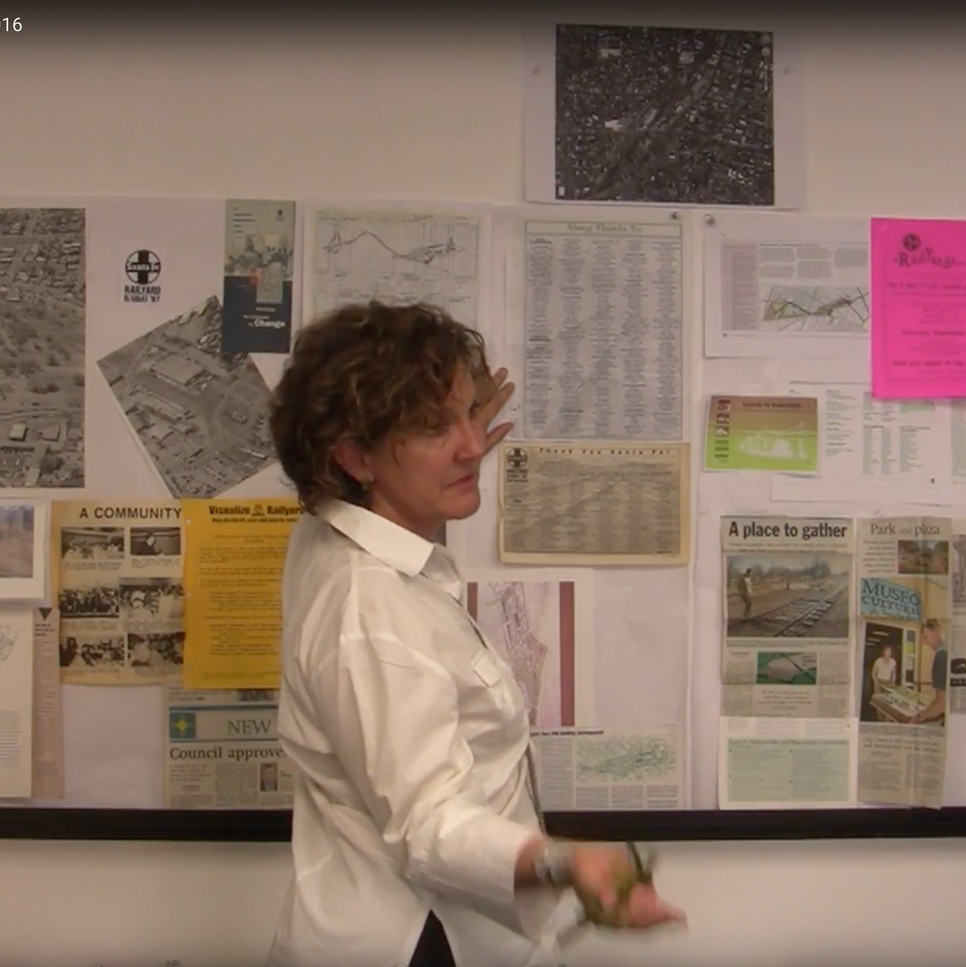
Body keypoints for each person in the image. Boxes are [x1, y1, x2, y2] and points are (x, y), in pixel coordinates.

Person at [262, 302, 683, 967]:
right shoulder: (370, 606)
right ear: (356, 457)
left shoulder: (332, 529)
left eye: (469, 415)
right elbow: (428, 824)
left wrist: (437, 439)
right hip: (413, 944)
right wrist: (564, 861)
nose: (471, 446)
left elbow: (383, 502)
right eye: (435, 428)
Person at [911, 619, 948, 725]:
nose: (924, 642)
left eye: (926, 637)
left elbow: (942, 703)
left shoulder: (942, 655)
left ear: (937, 631)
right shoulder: (949, 650)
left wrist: (919, 716)